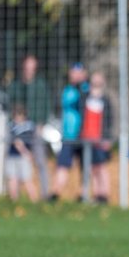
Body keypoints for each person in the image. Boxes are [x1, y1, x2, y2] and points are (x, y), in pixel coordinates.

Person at [8, 53, 52, 197]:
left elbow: (47, 106)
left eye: (32, 68)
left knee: (40, 161)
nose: (29, 71)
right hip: (19, 131)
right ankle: (16, 197)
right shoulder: (16, 85)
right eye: (27, 68)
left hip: (35, 130)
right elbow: (10, 106)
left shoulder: (40, 85)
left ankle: (45, 195)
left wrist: (41, 124)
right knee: (16, 163)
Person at [49, 62, 87, 201]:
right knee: (62, 164)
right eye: (73, 72)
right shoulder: (68, 90)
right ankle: (55, 193)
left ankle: (84, 194)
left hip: (84, 135)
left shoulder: (86, 89)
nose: (76, 75)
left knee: (85, 166)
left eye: (79, 72)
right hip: (69, 135)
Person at [77, 70, 114, 204]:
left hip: (100, 138)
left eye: (99, 81)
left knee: (101, 167)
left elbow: (109, 120)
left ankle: (104, 194)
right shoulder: (85, 97)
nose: (96, 83)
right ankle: (95, 194)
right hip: (87, 138)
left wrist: (107, 137)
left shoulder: (106, 100)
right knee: (91, 168)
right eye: (94, 80)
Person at [5, 104, 40, 202]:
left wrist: (27, 153)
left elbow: (20, 142)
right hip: (15, 156)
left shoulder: (26, 126)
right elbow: (17, 143)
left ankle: (34, 201)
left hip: (22, 157)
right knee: (13, 179)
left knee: (26, 180)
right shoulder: (14, 125)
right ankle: (15, 201)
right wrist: (27, 153)